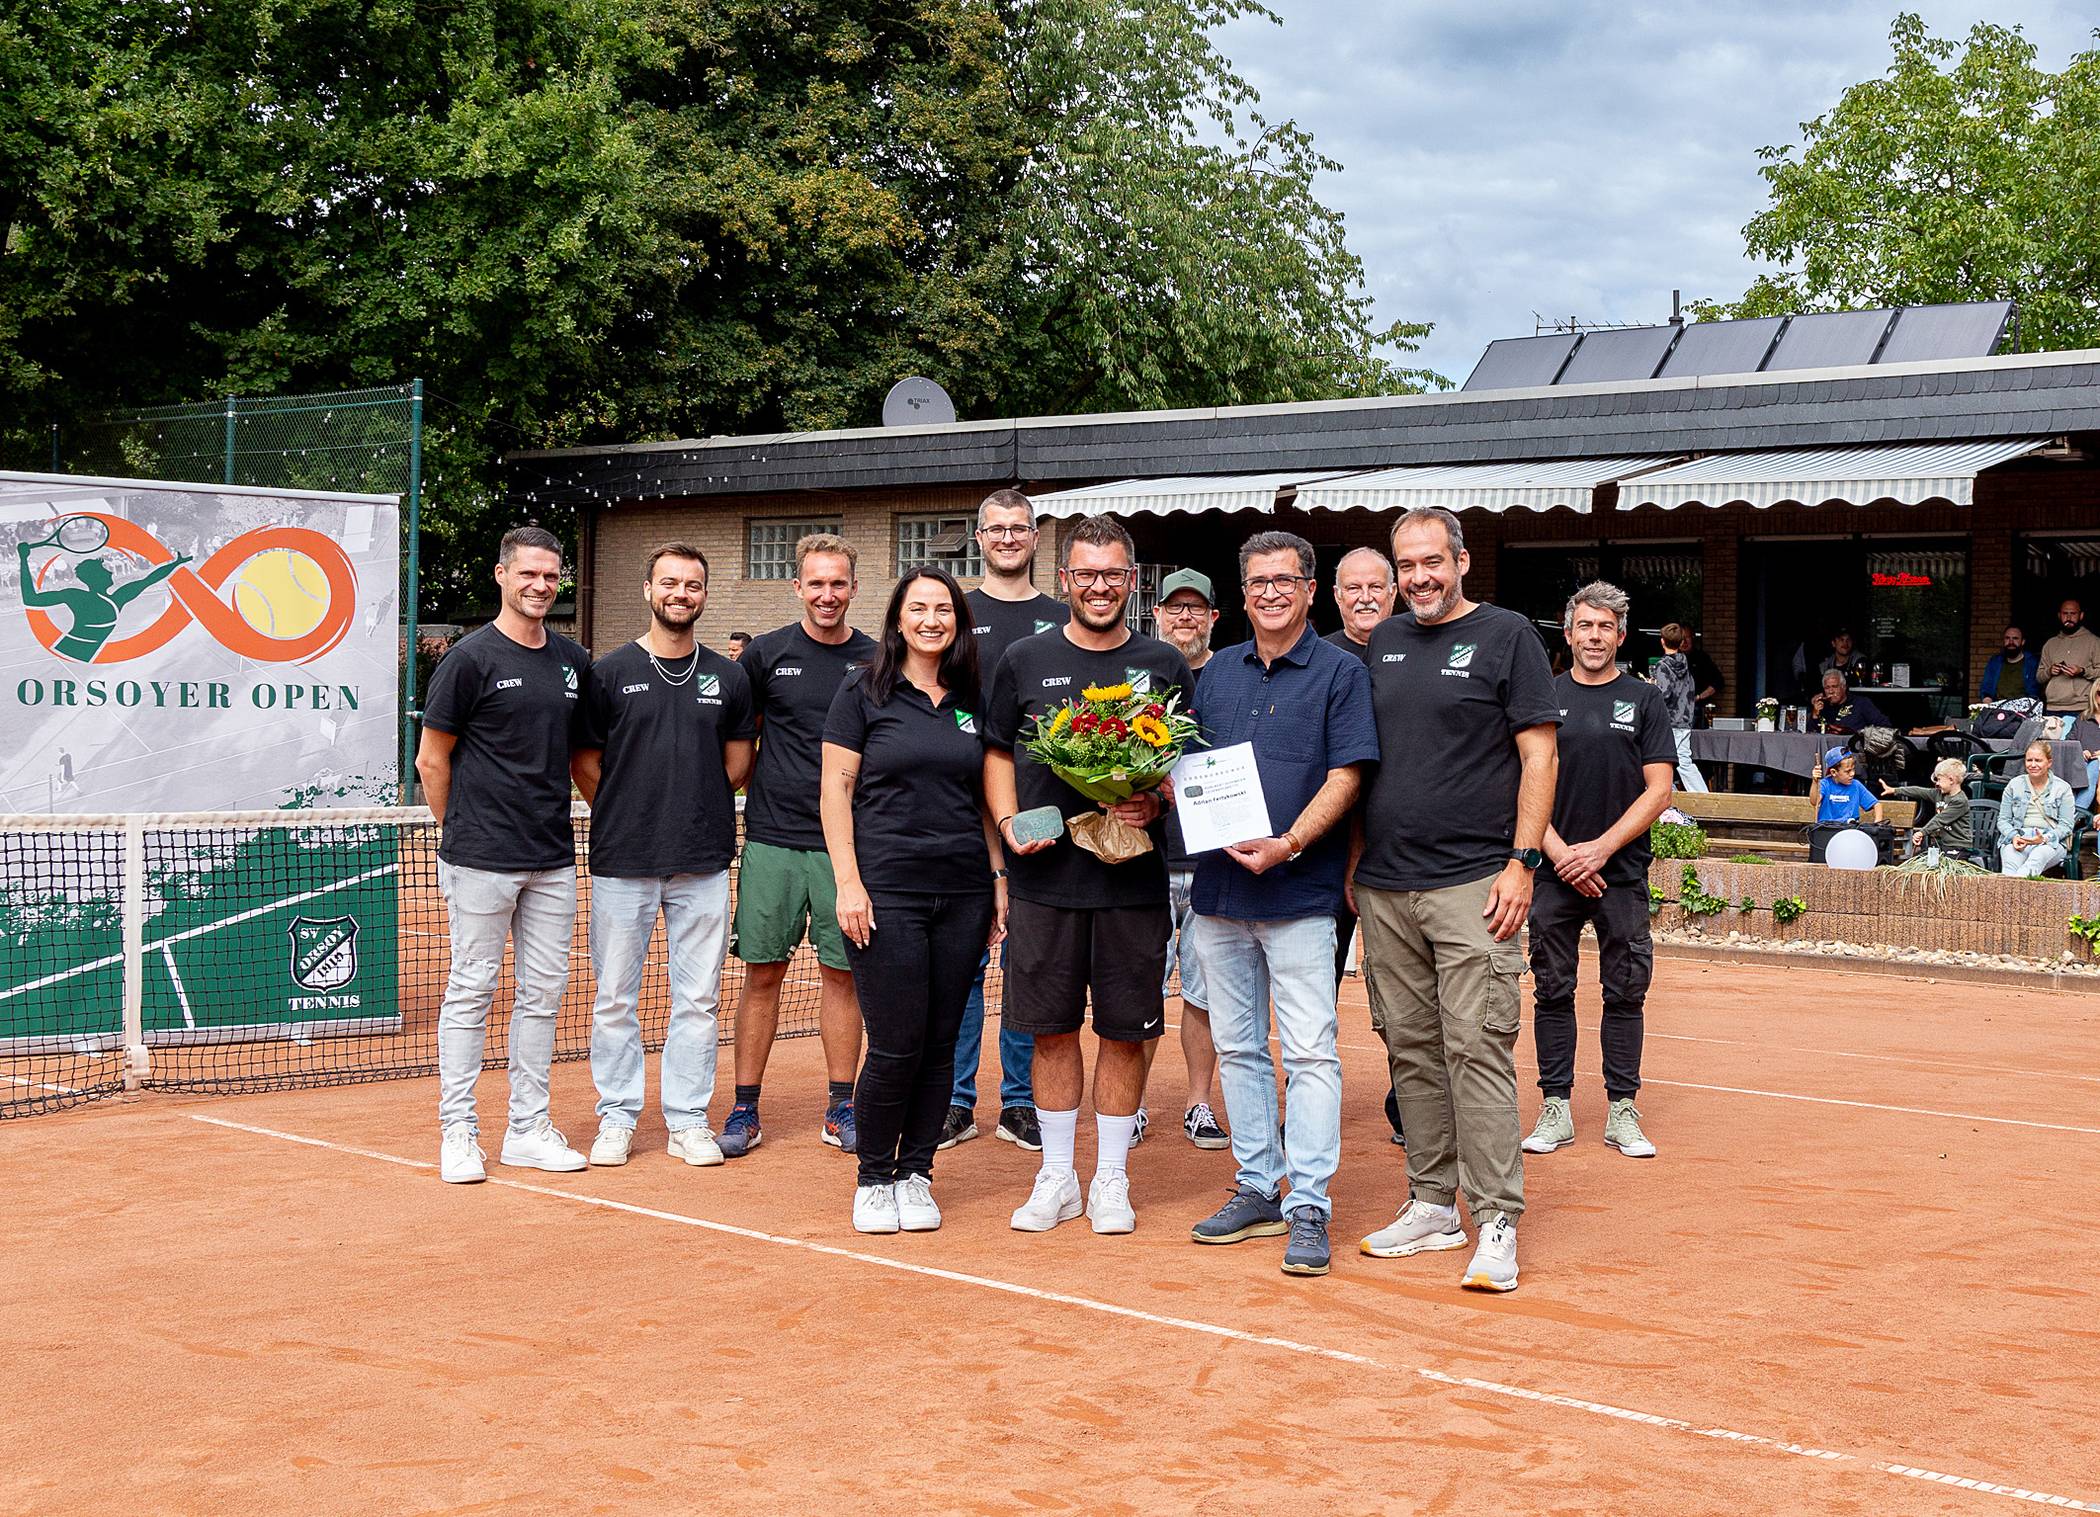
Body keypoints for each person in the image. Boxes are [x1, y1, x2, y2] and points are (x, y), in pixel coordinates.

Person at [1352, 506, 1559, 1293]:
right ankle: (1434, 1200)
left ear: (1463, 560)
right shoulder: (1386, 645)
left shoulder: (1508, 636)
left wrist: (1523, 862)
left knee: (1476, 1047)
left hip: (1476, 882)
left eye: (1432, 561)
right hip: (1386, 886)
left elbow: (1539, 754)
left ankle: (1497, 1217)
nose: (1419, 577)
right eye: (1407, 566)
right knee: (1410, 1049)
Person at [986, 513, 1193, 1236]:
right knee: (1049, 1033)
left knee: (1124, 1033)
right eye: (1085, 573)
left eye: (1113, 573)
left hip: (1133, 886)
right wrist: (1010, 828)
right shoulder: (1022, 658)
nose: (1099, 585)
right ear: (1064, 579)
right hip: (1045, 882)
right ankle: (1057, 1177)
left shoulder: (1165, 664)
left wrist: (1153, 795)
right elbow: (996, 754)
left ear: (1132, 582)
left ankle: (1110, 1178)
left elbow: (1184, 770)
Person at [1185, 532, 1377, 1278]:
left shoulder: (1339, 673)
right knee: (1237, 1049)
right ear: (1244, 592)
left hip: (1299, 892)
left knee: (1308, 1053)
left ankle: (1310, 1202)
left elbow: (1348, 774)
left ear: (1308, 587)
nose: (1270, 592)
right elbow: (1195, 770)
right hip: (1219, 895)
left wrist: (1291, 842)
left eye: (1284, 580)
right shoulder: (1218, 675)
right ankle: (1259, 1185)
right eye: (1258, 581)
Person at [822, 567, 1005, 1233]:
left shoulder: (970, 697)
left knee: (941, 1040)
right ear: (897, 618)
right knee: (897, 1042)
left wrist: (998, 882)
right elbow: (835, 791)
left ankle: (917, 1170)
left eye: (944, 609)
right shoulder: (862, 689)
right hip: (885, 890)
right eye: (918, 607)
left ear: (958, 621)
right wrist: (848, 880)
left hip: (962, 892)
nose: (932, 619)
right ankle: (874, 1172)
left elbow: (983, 800)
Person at [416, 526, 593, 1183]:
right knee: (471, 991)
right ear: (501, 575)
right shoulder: (468, 659)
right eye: (529, 574)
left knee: (544, 995)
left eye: (551, 575)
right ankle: (458, 1131)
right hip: (480, 856)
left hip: (551, 857)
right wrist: (461, 831)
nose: (541, 585)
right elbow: (432, 760)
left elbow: (581, 759)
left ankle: (527, 1128)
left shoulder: (573, 661)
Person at [571, 543, 755, 1168]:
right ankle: (616, 1116)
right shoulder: (609, 672)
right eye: (669, 583)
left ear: (705, 594)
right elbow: (586, 763)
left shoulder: (730, 678)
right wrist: (628, 810)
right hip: (623, 862)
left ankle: (687, 1119)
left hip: (702, 862)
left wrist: (691, 807)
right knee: (616, 997)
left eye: (693, 585)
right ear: (648, 590)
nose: (681, 594)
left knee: (698, 999)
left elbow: (737, 765)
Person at [728, 535, 878, 1157]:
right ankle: (744, 1108)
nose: (827, 595)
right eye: (815, 584)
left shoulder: (877, 659)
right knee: (763, 976)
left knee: (843, 977)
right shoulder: (764, 655)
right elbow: (740, 741)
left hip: (849, 849)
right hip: (773, 841)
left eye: (837, 584)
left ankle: (842, 1106)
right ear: (797, 588)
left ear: (853, 588)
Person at [1522, 583, 1675, 1163]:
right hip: (1553, 872)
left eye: (1604, 627)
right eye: (1583, 626)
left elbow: (1659, 791)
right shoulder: (1542, 697)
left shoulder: (1645, 700)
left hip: (1622, 875)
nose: (1593, 636)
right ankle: (1555, 1108)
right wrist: (1562, 854)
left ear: (1619, 634)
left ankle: (1621, 1111)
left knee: (1626, 993)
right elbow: (1522, 784)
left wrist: (1601, 851)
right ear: (1569, 633)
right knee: (1552, 991)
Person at [944, 489, 1061, 1152]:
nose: (1009, 537)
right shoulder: (955, 614)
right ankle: (956, 1100)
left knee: (1029, 965)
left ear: (1035, 537)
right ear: (979, 536)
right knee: (961, 965)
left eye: (1020, 527)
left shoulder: (1059, 617)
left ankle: (1020, 1100)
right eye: (997, 528)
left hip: (1040, 820)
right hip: (960, 818)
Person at [1325, 546, 1404, 1144]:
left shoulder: (1414, 649)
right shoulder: (1321, 657)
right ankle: (1312, 1106)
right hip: (1322, 854)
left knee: (1403, 995)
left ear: (1395, 590)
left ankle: (1411, 1103)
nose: (1365, 597)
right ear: (1335, 594)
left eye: (1375, 586)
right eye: (1353, 587)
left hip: (1401, 853)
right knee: (1313, 992)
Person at [1149, 567, 1227, 1152]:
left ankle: (1199, 1103)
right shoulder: (1137, 680)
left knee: (1203, 995)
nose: (1184, 617)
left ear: (1212, 618)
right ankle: (1136, 1106)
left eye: (1195, 609)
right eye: (1174, 608)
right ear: (1157, 615)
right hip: (1144, 862)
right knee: (1139, 991)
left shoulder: (1230, 678)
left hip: (1211, 866)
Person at [1997, 741, 2077, 877]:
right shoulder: (2014, 785)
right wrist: (2013, 836)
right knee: (2010, 862)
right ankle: (2011, 896)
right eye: (2029, 760)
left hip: (2050, 841)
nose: (2033, 765)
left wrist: (2044, 838)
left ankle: (2016, 896)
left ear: (2049, 762)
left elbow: (2066, 826)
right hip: (2019, 837)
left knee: (2037, 857)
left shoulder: (2062, 788)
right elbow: (2003, 820)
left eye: (2038, 760)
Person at [1653, 623, 1706, 793]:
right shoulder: (1685, 662)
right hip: (1684, 718)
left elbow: (1664, 694)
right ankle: (1701, 795)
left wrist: (1651, 687)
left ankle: (1666, 792)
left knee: (1661, 759)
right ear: (1681, 642)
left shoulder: (1662, 666)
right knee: (1684, 760)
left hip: (1668, 720)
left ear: (1662, 641)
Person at [1892, 758, 1975, 860]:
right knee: (1918, 860)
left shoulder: (1959, 801)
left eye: (1939, 779)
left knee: (1942, 865)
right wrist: (1895, 790)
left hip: (1959, 846)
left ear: (1951, 780)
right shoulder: (1938, 793)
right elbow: (1919, 791)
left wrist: (1922, 832)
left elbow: (1939, 820)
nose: (1937, 783)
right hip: (1943, 844)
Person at [2040, 600, 2100, 721]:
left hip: (2081, 707)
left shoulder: (2094, 641)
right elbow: (2039, 677)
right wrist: (2049, 671)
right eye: (2065, 613)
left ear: (2081, 615)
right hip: (2053, 707)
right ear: (2059, 615)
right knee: (2050, 741)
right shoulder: (2050, 643)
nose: (2068, 617)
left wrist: (2082, 671)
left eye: (2073, 614)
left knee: (2080, 740)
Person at [1811, 749, 1883, 825]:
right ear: (1833, 772)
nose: (1852, 774)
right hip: (1827, 829)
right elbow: (1815, 802)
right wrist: (1815, 781)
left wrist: (1877, 824)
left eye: (1853, 769)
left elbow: (1877, 805)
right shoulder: (1825, 784)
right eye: (1847, 771)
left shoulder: (1856, 785)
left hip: (1850, 830)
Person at [1810, 670, 1891, 733]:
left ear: (1844, 687)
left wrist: (1863, 736)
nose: (1830, 691)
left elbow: (1885, 726)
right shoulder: (1822, 706)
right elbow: (1810, 735)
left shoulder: (1861, 703)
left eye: (1834, 687)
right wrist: (1815, 715)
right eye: (1827, 688)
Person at [1980, 626, 2041, 703]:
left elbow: (2035, 692)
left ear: (2023, 642)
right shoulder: (1995, 662)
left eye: (2015, 638)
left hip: (2023, 710)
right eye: (2007, 638)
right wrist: (1988, 703)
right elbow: (1986, 688)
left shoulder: (2032, 663)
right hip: (1998, 709)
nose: (2011, 642)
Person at [2069, 685, 2100, 811]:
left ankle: (2075, 816)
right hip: (2081, 762)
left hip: (2095, 765)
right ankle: (2073, 816)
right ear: (2094, 694)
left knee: (2093, 767)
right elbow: (2069, 742)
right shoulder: (2083, 718)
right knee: (2082, 767)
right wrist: (2080, 752)